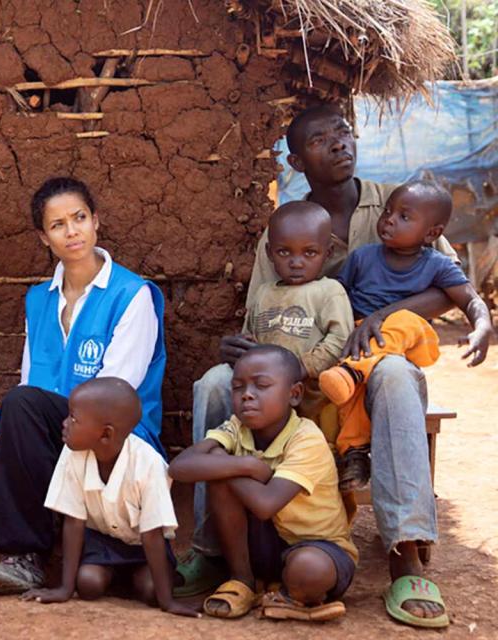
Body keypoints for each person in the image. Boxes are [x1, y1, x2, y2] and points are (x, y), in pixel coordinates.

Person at [189, 105, 458, 627]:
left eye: (343, 132)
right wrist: (241, 349)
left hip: (370, 359)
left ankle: (405, 551)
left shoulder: (395, 202)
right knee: (215, 383)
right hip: (293, 366)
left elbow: (449, 285)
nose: (338, 143)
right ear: (295, 159)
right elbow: (259, 315)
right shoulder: (286, 223)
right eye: (320, 139)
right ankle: (212, 550)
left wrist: (380, 315)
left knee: (398, 375)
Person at [0, 177, 167, 595]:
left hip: (112, 432)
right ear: (44, 237)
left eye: (79, 218)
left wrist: (20, 429)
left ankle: (25, 554)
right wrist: (8, 435)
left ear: (96, 223)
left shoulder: (131, 294)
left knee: (22, 408)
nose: (72, 232)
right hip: (47, 422)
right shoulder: (39, 300)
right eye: (58, 225)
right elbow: (31, 376)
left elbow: (115, 395)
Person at [319, 181, 493, 491]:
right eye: (388, 211)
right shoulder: (363, 258)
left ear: (431, 234)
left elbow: (470, 300)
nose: (388, 219)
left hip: (404, 344)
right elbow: (338, 295)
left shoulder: (436, 265)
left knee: (404, 320)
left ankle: (351, 371)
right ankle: (355, 452)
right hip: (362, 339)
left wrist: (482, 327)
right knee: (352, 396)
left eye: (403, 216)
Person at [170, 346, 356, 622]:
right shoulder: (236, 427)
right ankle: (243, 581)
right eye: (238, 387)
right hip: (264, 545)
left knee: (308, 570)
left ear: (294, 395)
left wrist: (222, 464)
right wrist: (245, 465)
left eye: (262, 385)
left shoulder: (306, 438)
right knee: (220, 479)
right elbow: (179, 467)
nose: (247, 394)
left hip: (318, 546)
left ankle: (291, 593)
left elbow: (266, 504)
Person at [20, 378, 198, 618]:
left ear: (105, 434)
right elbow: (73, 522)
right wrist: (65, 589)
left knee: (151, 590)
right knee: (88, 584)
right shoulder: (72, 454)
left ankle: (146, 577)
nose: (64, 424)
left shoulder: (149, 463)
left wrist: (167, 602)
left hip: (143, 547)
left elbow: (152, 535)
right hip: (102, 544)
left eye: (73, 418)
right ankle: (115, 578)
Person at [238, 200, 352, 422]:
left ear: (328, 252)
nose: (296, 263)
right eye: (284, 252)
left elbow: (340, 339)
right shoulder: (263, 294)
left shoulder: (329, 291)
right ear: (270, 253)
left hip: (314, 396)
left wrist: (301, 367)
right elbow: (250, 339)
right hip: (265, 396)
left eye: (309, 253)